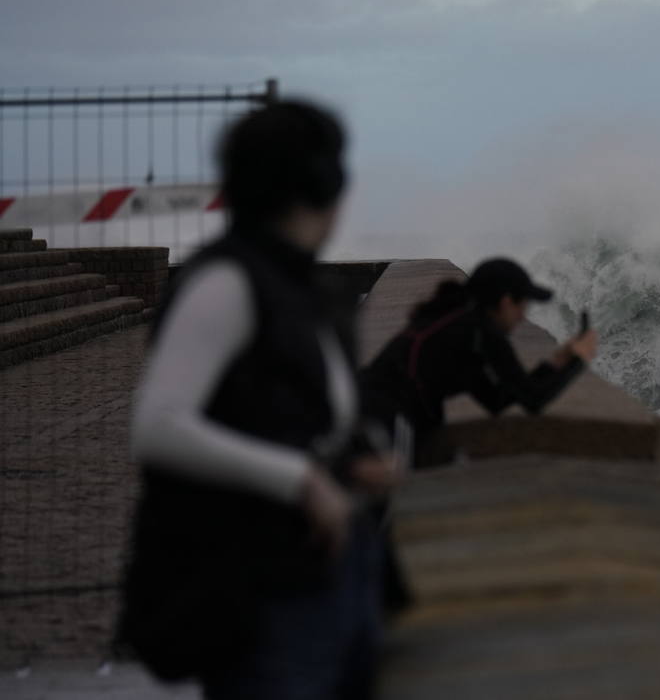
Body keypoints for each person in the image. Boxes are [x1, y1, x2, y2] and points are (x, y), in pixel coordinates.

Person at [118, 100, 394, 699]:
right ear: (321, 183)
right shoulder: (227, 280)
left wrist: (347, 465)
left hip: (323, 570)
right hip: (263, 588)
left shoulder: (293, 280)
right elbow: (159, 425)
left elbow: (281, 414)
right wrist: (302, 480)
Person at [359, 257, 598, 462]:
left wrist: (556, 363)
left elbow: (496, 400)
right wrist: (579, 360)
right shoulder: (481, 331)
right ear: (505, 303)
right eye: (522, 306)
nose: (522, 317)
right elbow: (533, 400)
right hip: (386, 418)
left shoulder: (462, 324)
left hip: (378, 408)